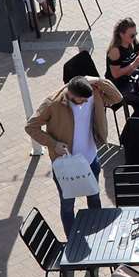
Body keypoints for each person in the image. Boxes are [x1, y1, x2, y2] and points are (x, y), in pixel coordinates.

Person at [27, 75, 121, 233]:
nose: (85, 102)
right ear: (70, 95)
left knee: (94, 198)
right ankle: (72, 240)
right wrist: (53, 144)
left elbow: (116, 97)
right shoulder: (53, 103)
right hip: (66, 164)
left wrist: (98, 80)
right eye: (81, 100)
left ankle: (98, 235)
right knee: (67, 205)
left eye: (87, 99)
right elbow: (31, 127)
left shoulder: (92, 93)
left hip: (91, 159)